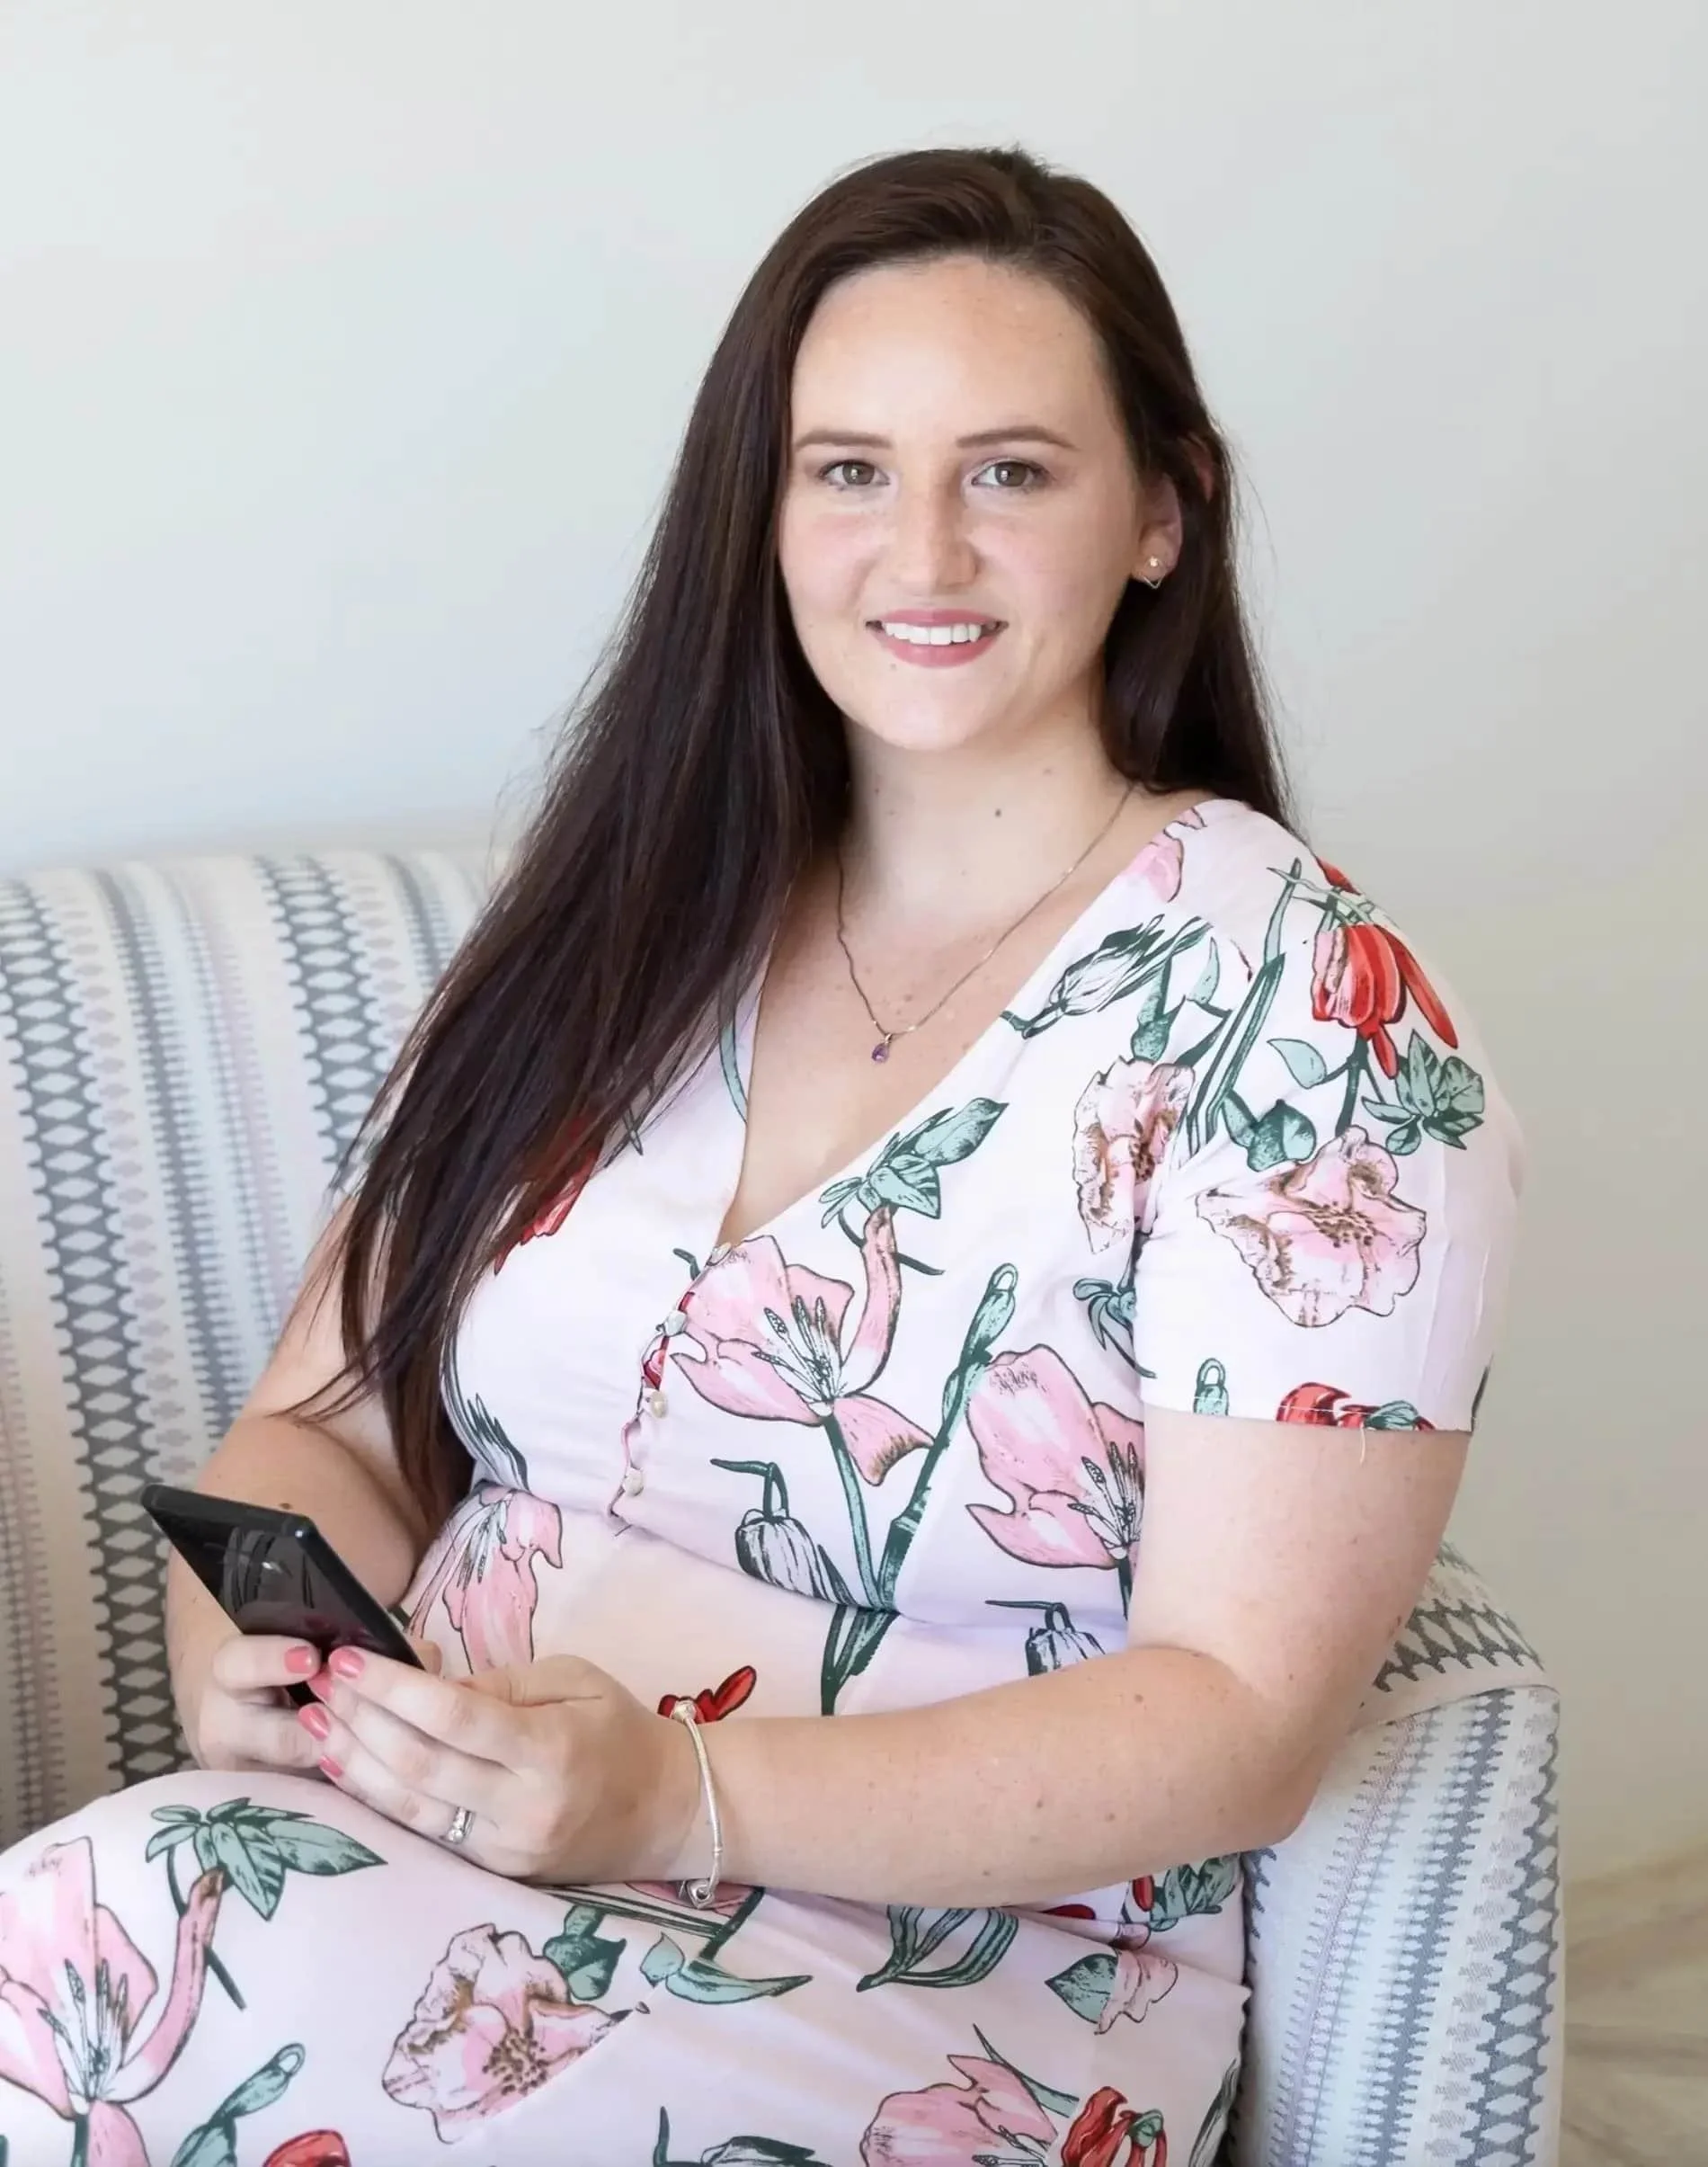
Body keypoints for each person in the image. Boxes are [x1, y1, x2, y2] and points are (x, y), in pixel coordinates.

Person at [0, 145, 1520, 2167]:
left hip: (958, 1982)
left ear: (1163, 509)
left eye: (1009, 471)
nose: (922, 551)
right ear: (764, 511)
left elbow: (1241, 1711)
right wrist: (254, 1659)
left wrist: (674, 1796)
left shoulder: (1311, 1013)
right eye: (847, 470)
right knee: (88, 1931)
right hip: (418, 1866)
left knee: (86, 1959)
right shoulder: (619, 924)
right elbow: (326, 1427)